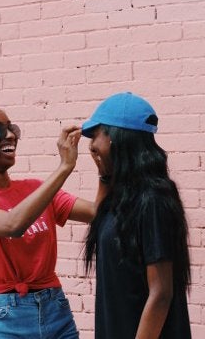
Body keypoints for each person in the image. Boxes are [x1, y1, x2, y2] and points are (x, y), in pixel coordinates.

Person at [0, 98, 101, 339]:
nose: (9, 135)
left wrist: (104, 162)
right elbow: (13, 224)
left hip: (56, 311)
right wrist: (64, 168)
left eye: (12, 128)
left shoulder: (35, 189)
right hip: (8, 320)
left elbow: (96, 213)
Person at [81, 92, 192, 339]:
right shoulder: (120, 196)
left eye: (96, 133)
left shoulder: (152, 199)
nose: (91, 145)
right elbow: (97, 218)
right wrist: (103, 174)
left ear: (115, 138)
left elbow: (161, 293)